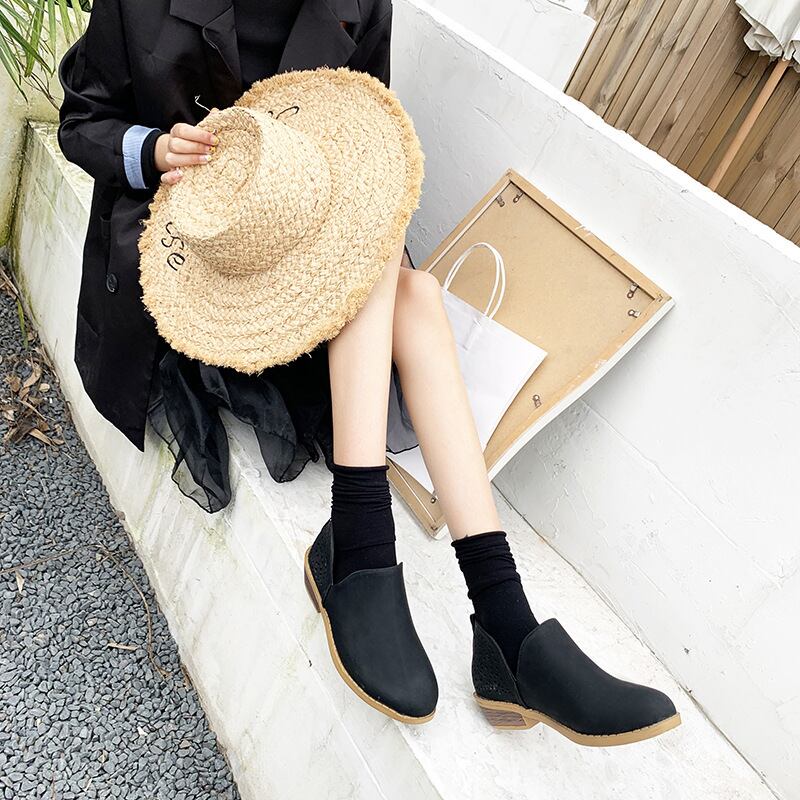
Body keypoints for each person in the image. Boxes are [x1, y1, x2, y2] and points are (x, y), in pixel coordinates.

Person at [57, 0, 681, 744]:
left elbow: (364, 141)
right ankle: (478, 614)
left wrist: (350, 232)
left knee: (407, 280)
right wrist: (156, 149)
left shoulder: (361, 4)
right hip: (192, 268)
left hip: (299, 272)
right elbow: (82, 121)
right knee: (393, 276)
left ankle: (489, 609)